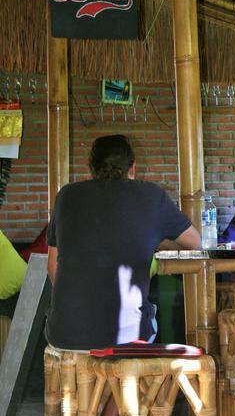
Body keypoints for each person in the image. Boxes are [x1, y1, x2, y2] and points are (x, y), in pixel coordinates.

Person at [46, 134, 201, 351]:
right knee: (147, 322)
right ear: (133, 166)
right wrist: (155, 241)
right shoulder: (151, 195)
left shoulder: (66, 196)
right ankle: (128, 385)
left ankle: (92, 384)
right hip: (127, 338)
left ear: (92, 167)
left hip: (65, 336)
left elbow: (52, 266)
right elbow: (194, 242)